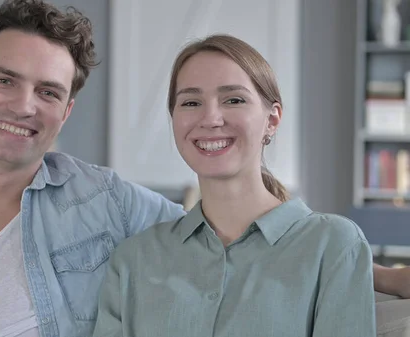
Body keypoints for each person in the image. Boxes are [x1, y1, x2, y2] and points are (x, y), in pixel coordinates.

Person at [0, 1, 410, 337]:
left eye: (47, 91)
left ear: (67, 110)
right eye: (4, 81)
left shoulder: (108, 204)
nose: (24, 106)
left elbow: (235, 237)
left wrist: (367, 265)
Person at [92, 34, 376, 337]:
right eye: (191, 102)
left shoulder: (333, 245)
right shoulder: (134, 259)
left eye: (234, 100)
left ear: (272, 119)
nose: (211, 118)